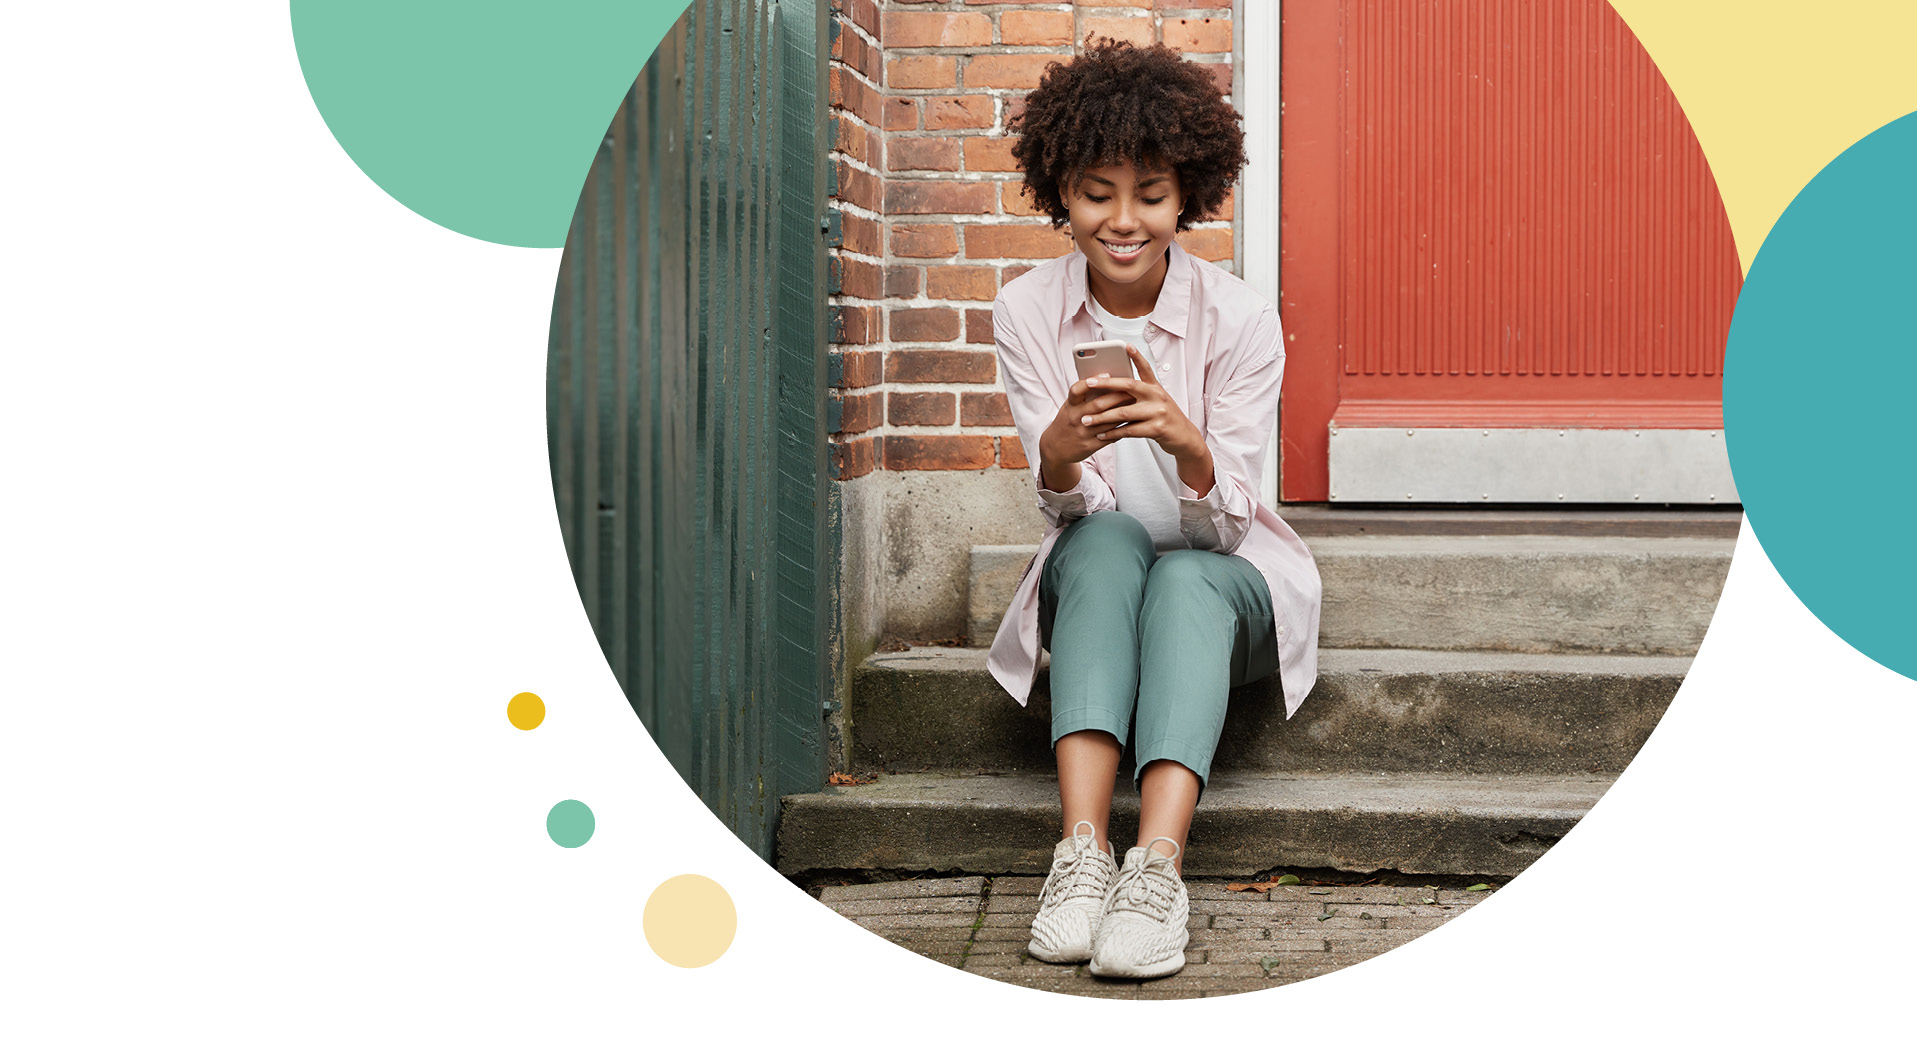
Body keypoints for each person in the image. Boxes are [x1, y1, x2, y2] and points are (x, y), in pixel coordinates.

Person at [987, 40, 1323, 980]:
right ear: (1062, 192)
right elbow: (1076, 515)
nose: (1124, 220)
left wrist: (1187, 445)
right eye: (1097, 193)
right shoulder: (1024, 312)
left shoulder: (1241, 319)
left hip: (1226, 597)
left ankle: (1157, 870)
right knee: (1100, 539)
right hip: (1104, 587)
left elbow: (1227, 527)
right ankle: (1084, 856)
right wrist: (1056, 460)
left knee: (1181, 568)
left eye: (1151, 194)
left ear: (1189, 197)